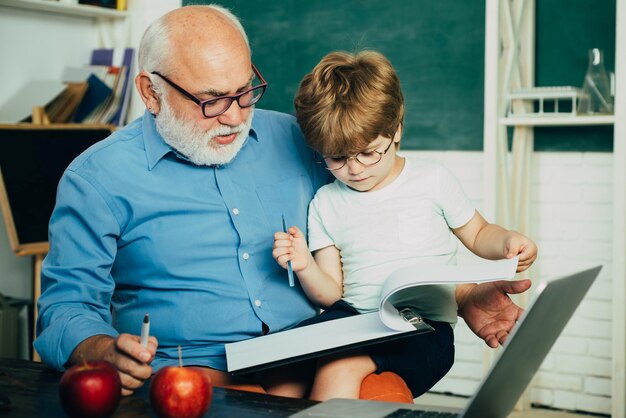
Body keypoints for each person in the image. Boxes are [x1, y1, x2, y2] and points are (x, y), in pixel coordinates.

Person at [34, 4, 532, 398]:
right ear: (151, 91)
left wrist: (463, 296)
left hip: (318, 354)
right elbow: (64, 309)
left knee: (376, 397)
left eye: (245, 91)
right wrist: (100, 349)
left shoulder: (303, 140)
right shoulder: (97, 179)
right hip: (192, 375)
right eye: (211, 100)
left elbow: (389, 218)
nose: (233, 117)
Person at [271, 50, 537, 401]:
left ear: (395, 131)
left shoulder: (433, 179)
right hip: (353, 318)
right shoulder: (326, 202)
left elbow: (476, 233)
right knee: (280, 369)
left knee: (340, 367)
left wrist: (506, 241)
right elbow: (331, 293)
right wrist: (304, 266)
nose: (355, 169)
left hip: (422, 327)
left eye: (368, 152)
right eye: (337, 158)